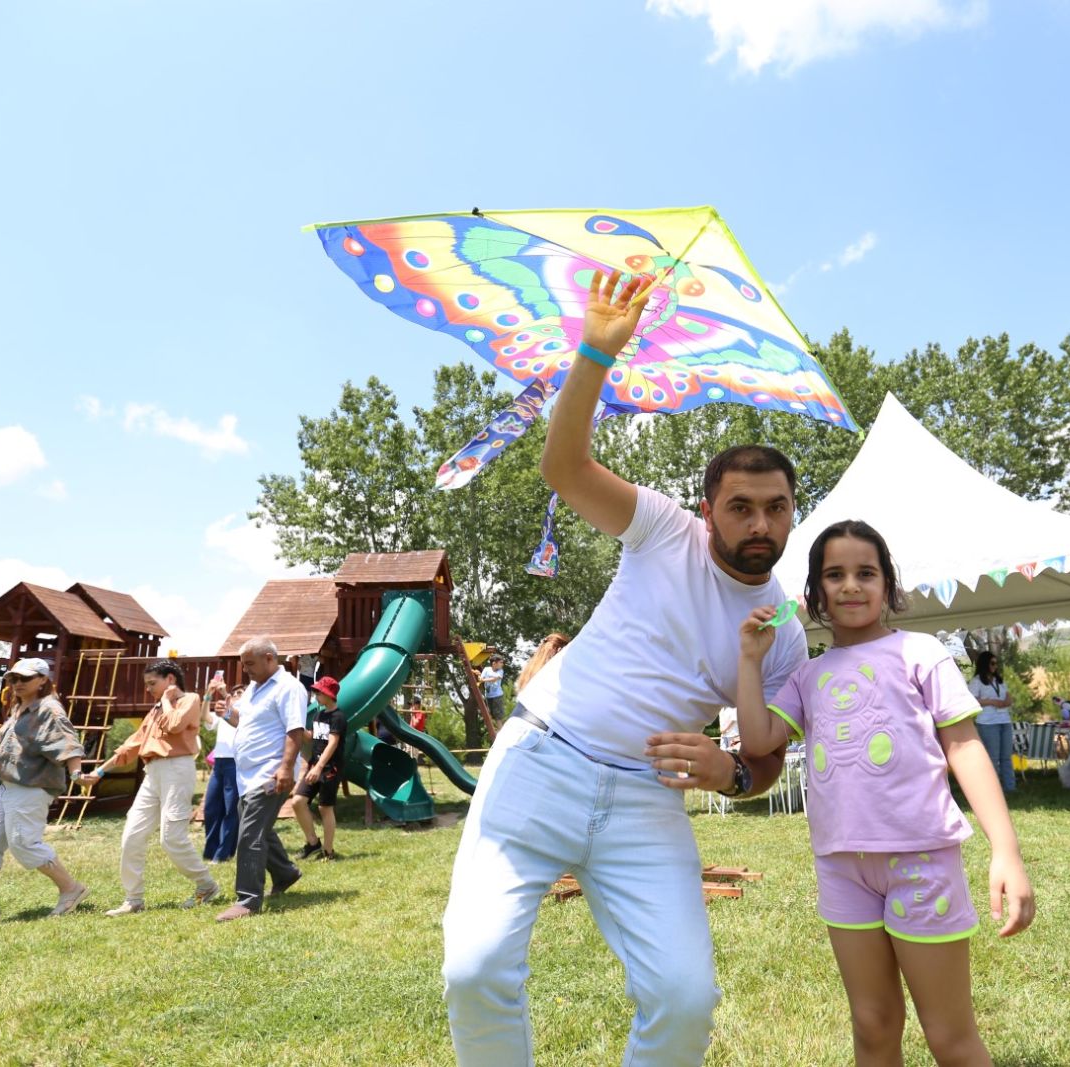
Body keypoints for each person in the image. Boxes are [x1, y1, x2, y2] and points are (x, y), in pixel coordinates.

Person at [442, 269, 809, 1065]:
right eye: (741, 506)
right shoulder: (663, 530)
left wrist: (729, 772)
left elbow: (766, 759)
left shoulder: (783, 630)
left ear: (792, 512)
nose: (760, 523)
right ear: (708, 509)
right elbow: (565, 468)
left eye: (776, 507)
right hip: (543, 757)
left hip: (647, 798)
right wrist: (597, 352)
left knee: (685, 997)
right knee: (475, 970)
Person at [736, 520, 1034, 1066]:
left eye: (865, 573)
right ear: (815, 592)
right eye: (835, 575)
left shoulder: (921, 652)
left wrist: (1006, 851)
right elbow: (758, 741)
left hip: (921, 861)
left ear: (888, 585)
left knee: (949, 1036)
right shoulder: (807, 676)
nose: (851, 585)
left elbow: (964, 746)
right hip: (841, 867)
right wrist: (751, 661)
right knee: (872, 1027)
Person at [0, 659, 90, 927]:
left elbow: (69, 743)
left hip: (32, 787)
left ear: (43, 679)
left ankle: (72, 889)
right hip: (5, 787)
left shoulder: (49, 709)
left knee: (24, 844)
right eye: (13, 679)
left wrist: (77, 774)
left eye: (25, 678)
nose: (18, 683)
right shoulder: (17, 707)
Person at [83, 659, 220, 915]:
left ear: (170, 679)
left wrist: (166, 699)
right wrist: (99, 772)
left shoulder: (190, 699)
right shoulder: (155, 710)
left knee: (171, 838)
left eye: (152, 683)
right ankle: (133, 899)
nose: (148, 689)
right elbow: (132, 745)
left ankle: (206, 885)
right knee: (131, 835)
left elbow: (174, 725)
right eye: (147, 684)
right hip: (152, 773)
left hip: (177, 770)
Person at [210, 636, 309, 922]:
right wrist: (228, 714)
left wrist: (286, 769)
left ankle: (248, 900)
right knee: (256, 828)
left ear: (269, 658)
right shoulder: (255, 688)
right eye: (244, 664)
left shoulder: (289, 687)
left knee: (249, 834)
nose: (246, 670)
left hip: (270, 772)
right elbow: (246, 723)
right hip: (247, 775)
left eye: (250, 663)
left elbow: (294, 730)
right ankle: (285, 873)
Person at [289, 676, 345, 861]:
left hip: (329, 768)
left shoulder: (338, 717)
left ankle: (328, 852)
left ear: (329, 694)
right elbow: (313, 737)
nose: (316, 695)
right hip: (314, 765)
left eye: (319, 692)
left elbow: (333, 743)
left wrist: (319, 767)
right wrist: (297, 727)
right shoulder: (319, 715)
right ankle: (313, 843)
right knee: (298, 801)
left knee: (324, 808)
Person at [201, 681, 242, 862]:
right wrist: (208, 694)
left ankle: (223, 853)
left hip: (235, 763)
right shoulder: (224, 712)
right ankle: (210, 851)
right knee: (211, 807)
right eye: (235, 693)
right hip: (219, 763)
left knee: (230, 809)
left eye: (240, 693)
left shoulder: (244, 711)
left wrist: (226, 693)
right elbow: (206, 718)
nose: (236, 695)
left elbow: (237, 716)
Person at [968, 651, 1016, 794]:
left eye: (996, 663)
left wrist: (1008, 701)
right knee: (993, 757)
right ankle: (994, 789)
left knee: (1006, 756)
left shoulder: (999, 680)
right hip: (988, 723)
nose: (995, 666)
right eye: (992, 663)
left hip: (1004, 720)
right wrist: (991, 702)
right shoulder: (976, 681)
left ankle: (1010, 787)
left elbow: (1008, 696)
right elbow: (972, 700)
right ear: (985, 664)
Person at [478, 654, 506, 725]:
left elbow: (494, 679)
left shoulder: (500, 671)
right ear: (494, 663)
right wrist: (480, 677)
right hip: (488, 696)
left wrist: (483, 680)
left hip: (497, 696)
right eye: (500, 662)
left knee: (498, 717)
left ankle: (501, 730)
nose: (502, 664)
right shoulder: (486, 669)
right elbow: (481, 678)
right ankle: (495, 730)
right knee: (490, 715)